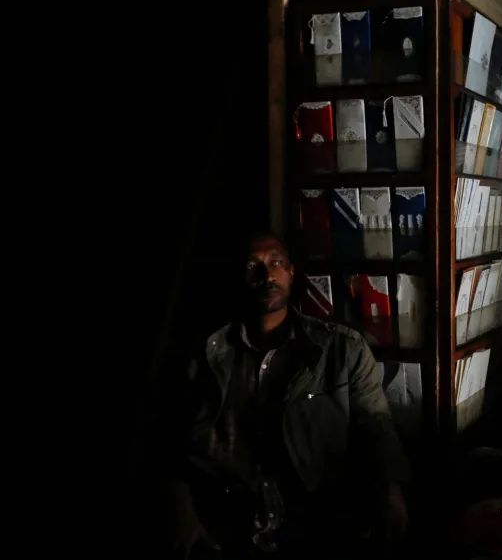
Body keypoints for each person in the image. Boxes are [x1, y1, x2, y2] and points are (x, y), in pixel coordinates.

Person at [146, 231, 409, 559]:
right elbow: (168, 441)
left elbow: (377, 428)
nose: (267, 274)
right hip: (228, 527)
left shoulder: (342, 350)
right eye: (253, 265)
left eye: (276, 263)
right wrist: (181, 510)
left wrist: (390, 491)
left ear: (291, 272)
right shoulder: (203, 354)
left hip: (315, 526)